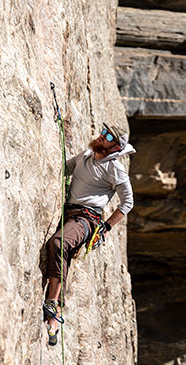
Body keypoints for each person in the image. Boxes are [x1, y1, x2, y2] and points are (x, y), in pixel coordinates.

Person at [43, 123, 135, 346]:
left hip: (86, 219)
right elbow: (66, 168)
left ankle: (52, 302)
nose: (101, 137)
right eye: (103, 133)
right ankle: (53, 320)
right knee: (61, 251)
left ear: (115, 148)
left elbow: (127, 203)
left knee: (58, 243)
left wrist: (106, 227)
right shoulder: (86, 155)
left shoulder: (115, 170)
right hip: (69, 212)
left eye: (107, 136)